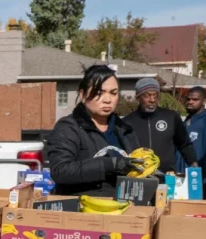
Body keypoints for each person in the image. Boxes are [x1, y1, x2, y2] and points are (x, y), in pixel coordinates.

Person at [47, 65, 142, 197]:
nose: (107, 100)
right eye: (99, 93)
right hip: (81, 206)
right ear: (83, 95)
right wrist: (109, 164)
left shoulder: (125, 130)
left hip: (122, 206)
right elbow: (60, 171)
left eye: (113, 93)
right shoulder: (68, 127)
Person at [123, 78, 197, 175]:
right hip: (139, 176)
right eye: (147, 96)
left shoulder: (171, 117)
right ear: (138, 97)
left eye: (155, 95)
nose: (152, 100)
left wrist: (193, 162)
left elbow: (184, 144)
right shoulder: (127, 123)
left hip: (168, 176)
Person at [178, 86, 206, 198]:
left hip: (199, 180)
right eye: (188, 99)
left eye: (195, 99)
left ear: (204, 101)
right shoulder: (186, 121)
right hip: (182, 178)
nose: (190, 102)